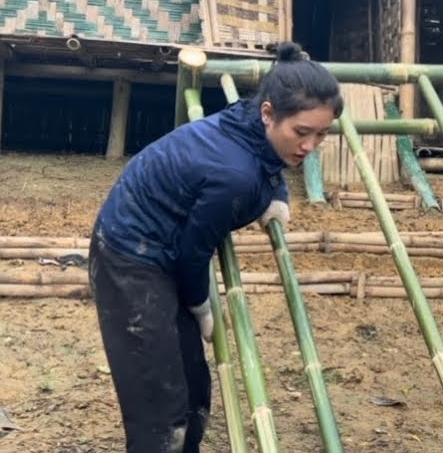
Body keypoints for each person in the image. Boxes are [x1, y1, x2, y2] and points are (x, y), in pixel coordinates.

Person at [88, 41, 342, 453]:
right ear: (268, 114)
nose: (310, 146)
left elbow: (271, 160)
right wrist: (202, 307)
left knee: (193, 388)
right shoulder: (235, 179)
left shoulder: (249, 116)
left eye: (321, 134)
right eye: (301, 133)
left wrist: (278, 190)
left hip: (162, 244)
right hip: (129, 255)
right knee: (160, 406)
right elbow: (194, 253)